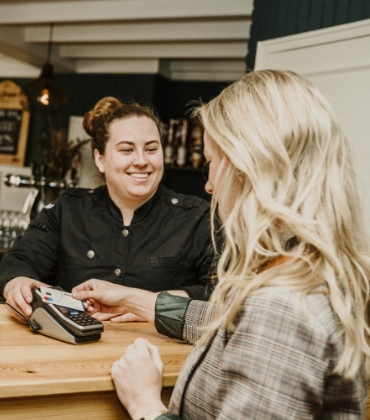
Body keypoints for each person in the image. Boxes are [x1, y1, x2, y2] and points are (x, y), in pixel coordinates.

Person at [72, 70, 370, 419]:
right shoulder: (307, 268)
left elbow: (263, 322)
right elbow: (228, 321)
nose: (209, 185)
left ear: (250, 166)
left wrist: (146, 405)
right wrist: (134, 300)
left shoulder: (281, 307)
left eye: (211, 162)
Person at [0, 97, 215, 323]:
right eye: (126, 150)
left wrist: (146, 303)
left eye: (151, 149)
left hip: (159, 356)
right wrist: (17, 283)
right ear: (100, 159)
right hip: (74, 351)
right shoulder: (68, 209)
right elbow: (19, 260)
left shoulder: (197, 216)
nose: (141, 160)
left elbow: (223, 294)